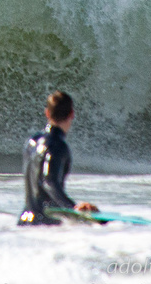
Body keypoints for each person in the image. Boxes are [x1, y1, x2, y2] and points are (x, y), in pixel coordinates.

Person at [18, 91, 99, 225]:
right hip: (44, 224)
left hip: (24, 220)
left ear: (47, 113)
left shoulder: (32, 142)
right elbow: (49, 182)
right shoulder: (58, 146)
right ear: (72, 114)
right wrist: (73, 208)